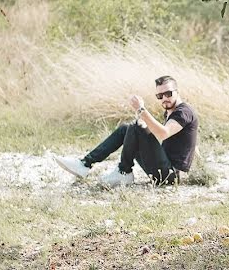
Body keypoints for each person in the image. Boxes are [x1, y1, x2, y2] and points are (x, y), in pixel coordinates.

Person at [54, 76, 199, 187]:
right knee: (127, 128)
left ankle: (124, 171)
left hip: (169, 176)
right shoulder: (170, 112)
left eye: (168, 93)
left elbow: (163, 133)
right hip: (162, 168)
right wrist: (141, 131)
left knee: (136, 127)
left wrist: (141, 110)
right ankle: (84, 164)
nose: (164, 99)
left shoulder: (183, 112)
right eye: (160, 96)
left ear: (177, 92)